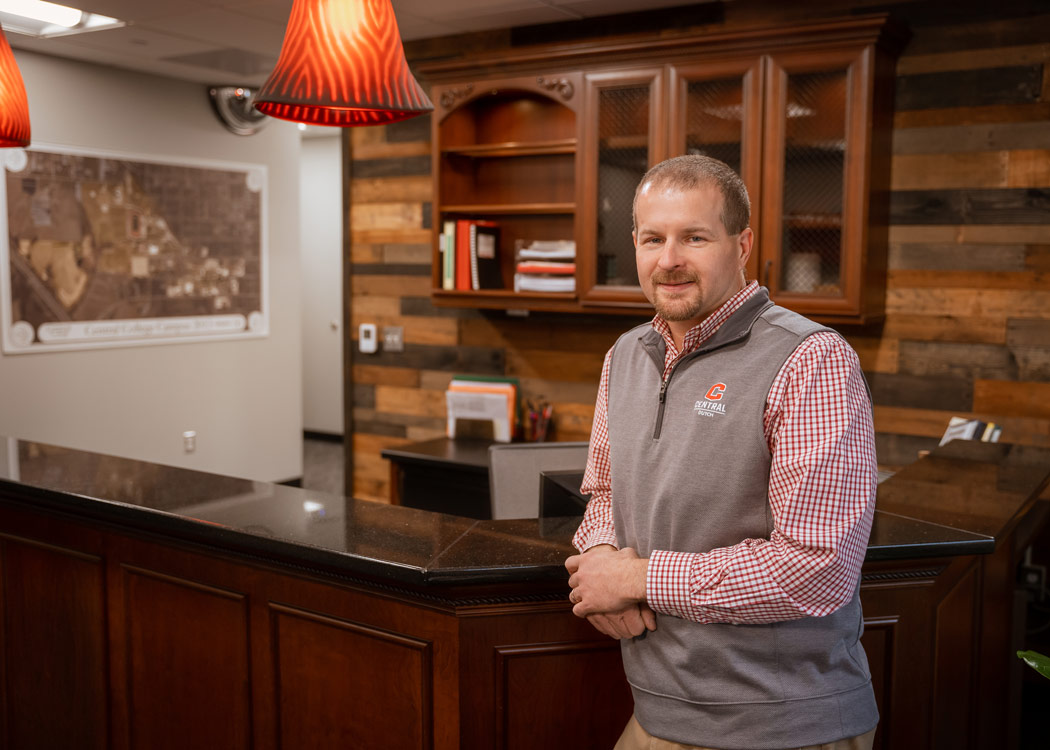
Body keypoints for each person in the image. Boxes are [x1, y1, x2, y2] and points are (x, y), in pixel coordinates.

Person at [565, 154, 879, 750]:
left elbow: (817, 570)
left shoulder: (810, 359)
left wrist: (637, 578)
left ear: (743, 243)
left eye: (695, 237)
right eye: (653, 238)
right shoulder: (625, 356)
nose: (670, 259)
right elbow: (605, 490)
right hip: (660, 713)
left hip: (781, 725)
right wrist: (600, 562)